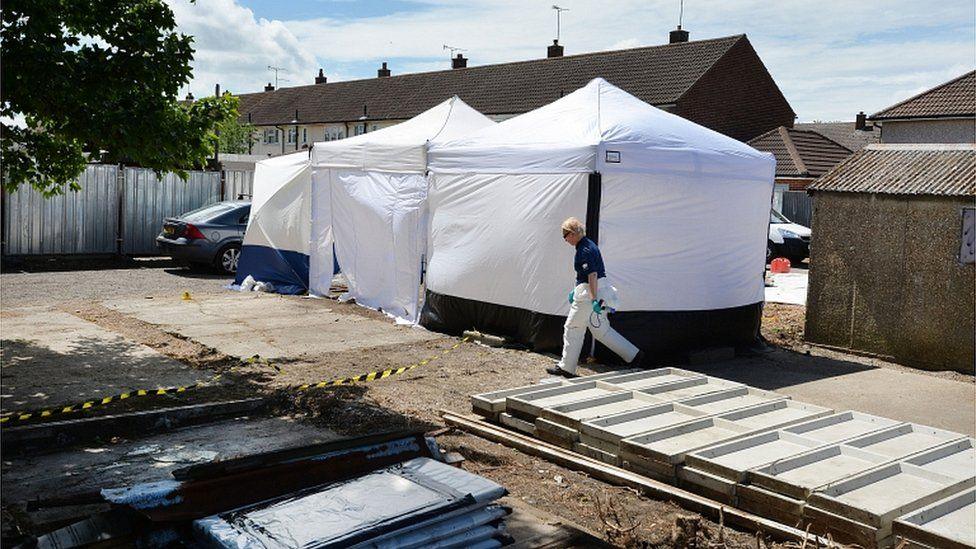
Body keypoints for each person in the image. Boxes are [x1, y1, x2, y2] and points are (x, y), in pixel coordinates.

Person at [547, 217, 643, 377]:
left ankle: (566, 367)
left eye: (565, 235)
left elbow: (592, 275)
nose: (565, 239)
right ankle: (635, 355)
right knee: (601, 331)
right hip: (598, 290)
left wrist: (592, 299)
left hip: (588, 295)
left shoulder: (584, 250)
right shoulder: (588, 245)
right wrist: (576, 290)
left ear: (572, 233)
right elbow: (588, 275)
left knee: (573, 328)